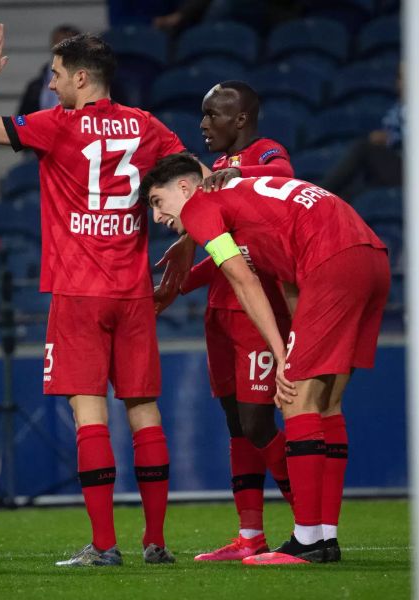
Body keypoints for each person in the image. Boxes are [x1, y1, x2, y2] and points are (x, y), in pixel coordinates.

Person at [0, 25, 203, 567]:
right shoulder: (147, 126)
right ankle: (156, 542)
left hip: (78, 292)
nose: (51, 83)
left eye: (56, 74)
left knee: (89, 414)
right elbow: (196, 179)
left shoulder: (57, 126)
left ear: (82, 78)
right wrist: (188, 244)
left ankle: (104, 545)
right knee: (144, 410)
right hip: (134, 292)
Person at [140, 153, 389, 565]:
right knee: (327, 403)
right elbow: (291, 278)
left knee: (295, 399)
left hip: (333, 261)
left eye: (156, 201)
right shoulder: (246, 195)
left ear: (184, 187)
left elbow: (242, 278)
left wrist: (281, 354)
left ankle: (306, 540)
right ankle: (325, 537)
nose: (158, 215)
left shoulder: (202, 206)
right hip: (370, 256)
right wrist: (291, 341)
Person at [158, 81, 296, 562]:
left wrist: (232, 177)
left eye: (212, 114)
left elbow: (282, 171)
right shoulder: (216, 170)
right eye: (202, 114)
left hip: (256, 310)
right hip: (221, 311)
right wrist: (178, 287)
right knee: (238, 426)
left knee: (260, 422)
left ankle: (309, 525)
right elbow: (223, 256)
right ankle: (249, 536)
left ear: (239, 119)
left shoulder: (263, 152)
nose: (203, 124)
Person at [321, 64, 405, 199]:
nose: (400, 82)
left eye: (404, 77)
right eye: (400, 77)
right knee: (350, 195)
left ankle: (319, 194)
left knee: (363, 148)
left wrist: (391, 138)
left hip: (414, 171)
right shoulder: (399, 105)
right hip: (392, 164)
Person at [16, 24, 80, 116]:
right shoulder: (35, 87)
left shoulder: (93, 83)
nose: (63, 50)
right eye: (58, 43)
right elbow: (22, 121)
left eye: (68, 44)